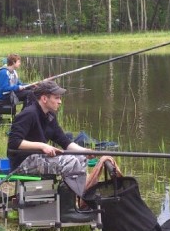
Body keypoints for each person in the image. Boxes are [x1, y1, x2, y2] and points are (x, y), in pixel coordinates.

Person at [7, 80, 115, 221]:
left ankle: (72, 204)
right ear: (44, 98)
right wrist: (42, 146)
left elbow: (64, 141)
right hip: (22, 162)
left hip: (36, 158)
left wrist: (84, 151)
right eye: (56, 98)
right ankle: (67, 211)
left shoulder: (50, 116)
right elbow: (13, 142)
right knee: (70, 161)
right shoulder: (29, 113)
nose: (60, 102)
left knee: (80, 158)